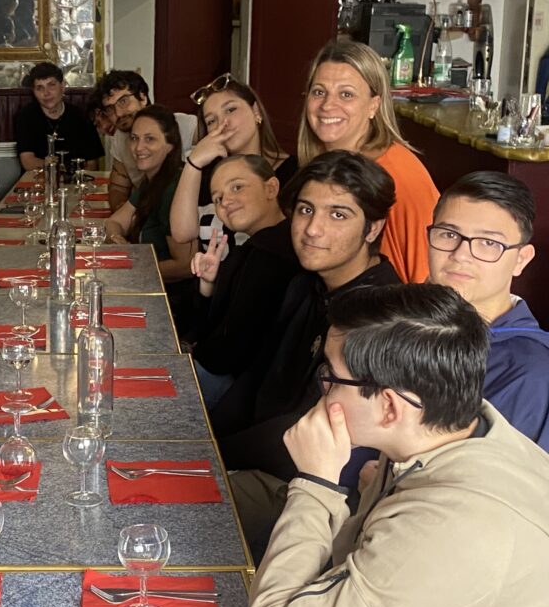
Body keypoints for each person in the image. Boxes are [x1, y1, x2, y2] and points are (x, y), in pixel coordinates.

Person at [246, 283, 549, 607]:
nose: (322, 390)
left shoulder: (454, 530)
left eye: (331, 377)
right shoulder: (450, 432)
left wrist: (315, 485)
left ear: (389, 407)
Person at [213, 151, 401, 540]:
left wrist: (213, 455)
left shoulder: (379, 316)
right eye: (305, 210)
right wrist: (203, 439)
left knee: (165, 504)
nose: (313, 229)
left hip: (310, 486)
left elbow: (305, 430)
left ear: (372, 229)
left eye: (338, 215)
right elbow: (256, 376)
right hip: (258, 456)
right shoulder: (306, 283)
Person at [426, 171, 548, 451]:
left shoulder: (533, 373)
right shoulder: (399, 322)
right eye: (449, 234)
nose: (460, 255)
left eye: (489, 243)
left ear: (521, 260)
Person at [298, 40, 439, 283]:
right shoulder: (320, 162)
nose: (328, 105)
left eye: (346, 94)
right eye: (319, 92)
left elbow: (427, 276)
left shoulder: (400, 175)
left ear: (374, 105)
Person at [189, 155, 301, 408]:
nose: (226, 201)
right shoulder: (254, 248)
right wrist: (209, 284)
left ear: (271, 188)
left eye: (237, 187)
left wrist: (193, 353)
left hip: (245, 391)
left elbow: (232, 350)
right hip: (231, 373)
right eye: (217, 199)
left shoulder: (273, 254)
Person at [169, 73, 297, 249]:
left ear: (256, 111)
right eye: (211, 121)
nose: (223, 123)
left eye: (230, 110)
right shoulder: (205, 175)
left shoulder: (295, 172)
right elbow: (182, 233)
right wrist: (193, 163)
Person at [104, 105, 197, 333]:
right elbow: (114, 222)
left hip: (172, 309)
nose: (138, 147)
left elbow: (186, 266)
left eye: (150, 139)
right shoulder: (152, 181)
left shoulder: (174, 188)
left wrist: (135, 268)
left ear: (171, 145)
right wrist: (119, 242)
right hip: (150, 291)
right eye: (134, 138)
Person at [99, 70, 199, 210]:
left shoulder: (183, 125)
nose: (118, 113)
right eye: (110, 109)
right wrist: (126, 215)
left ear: (142, 97)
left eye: (123, 101)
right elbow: (118, 187)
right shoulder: (120, 137)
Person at [14, 62, 103, 171]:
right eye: (39, 88)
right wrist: (60, 171)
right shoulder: (26, 116)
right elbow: (28, 162)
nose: (46, 93)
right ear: (34, 92)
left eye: (51, 85)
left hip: (76, 178)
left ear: (63, 86)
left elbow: (92, 163)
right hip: (39, 178)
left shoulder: (81, 116)